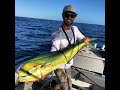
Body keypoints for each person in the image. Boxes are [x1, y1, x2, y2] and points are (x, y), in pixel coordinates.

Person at [50, 5, 90, 90]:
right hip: (58, 65)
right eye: (67, 15)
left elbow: (83, 38)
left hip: (68, 64)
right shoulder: (57, 34)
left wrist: (85, 40)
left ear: (75, 17)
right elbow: (53, 50)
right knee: (67, 87)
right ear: (62, 15)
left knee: (67, 83)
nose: (69, 17)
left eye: (72, 16)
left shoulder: (75, 29)